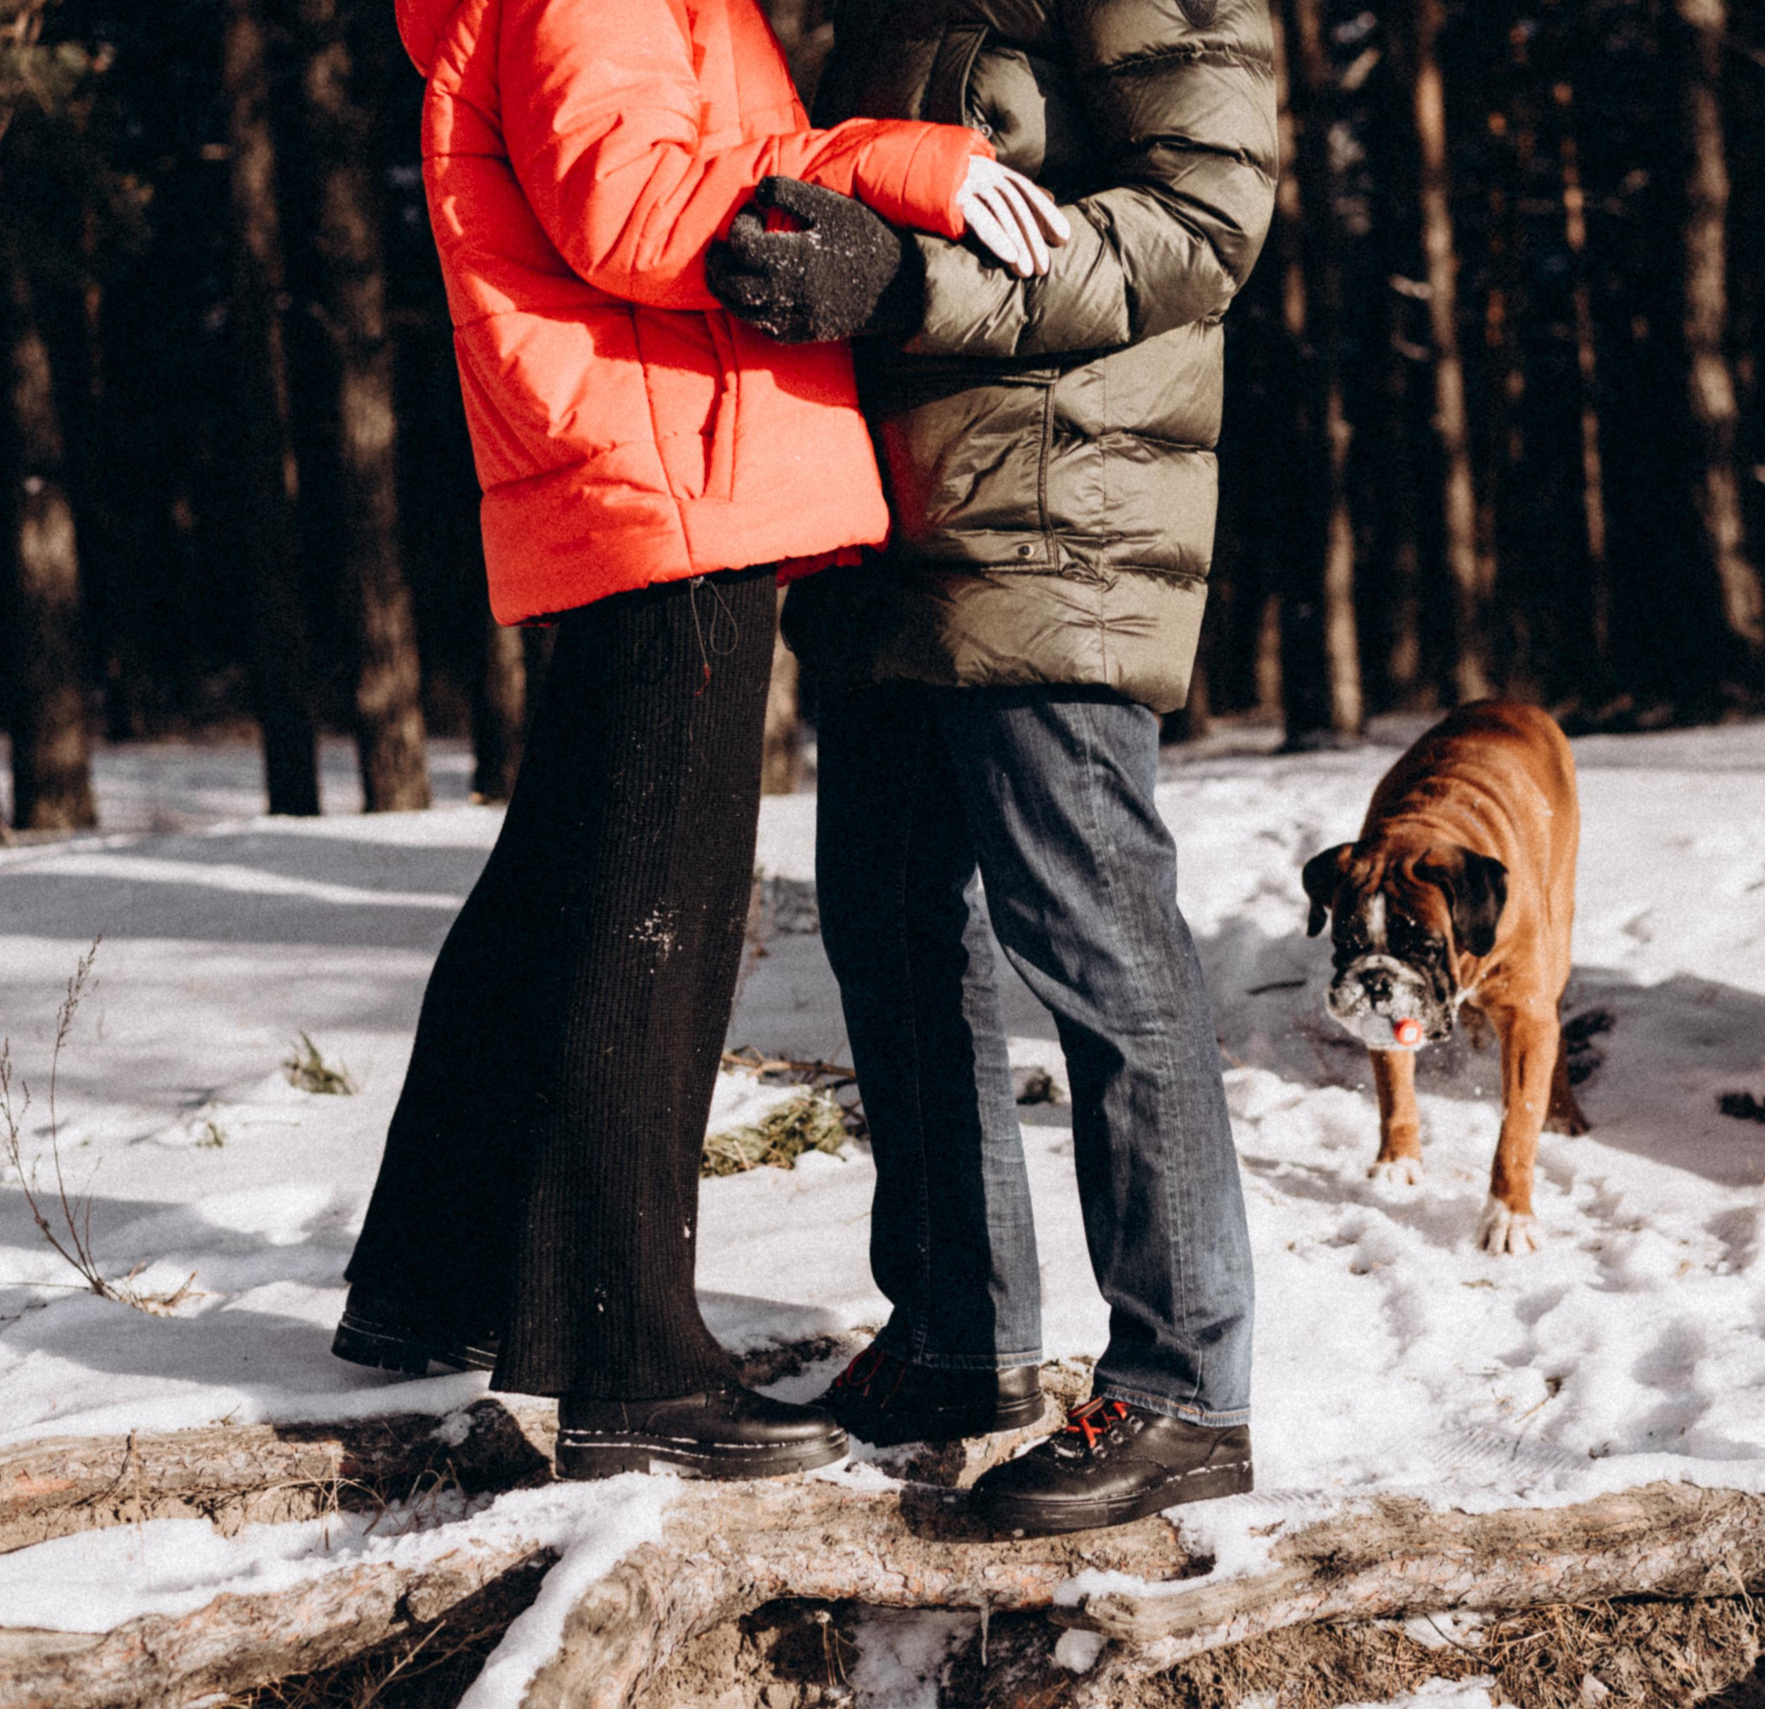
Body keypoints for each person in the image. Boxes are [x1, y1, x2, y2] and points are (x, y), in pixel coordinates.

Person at [336, 0, 1065, 1484]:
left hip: (660, 456)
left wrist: (903, 168)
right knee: (655, 921)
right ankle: (630, 1362)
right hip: (673, 466)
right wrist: (821, 236)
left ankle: (432, 1271)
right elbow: (631, 201)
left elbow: (725, 149)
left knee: (561, 883)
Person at [704, 0, 1278, 1531]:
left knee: (1094, 935)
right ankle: (959, 1335)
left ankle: (1182, 1386)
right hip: (890, 517)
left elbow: (1201, 225)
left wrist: (906, 285)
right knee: (888, 929)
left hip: (1062, 511)